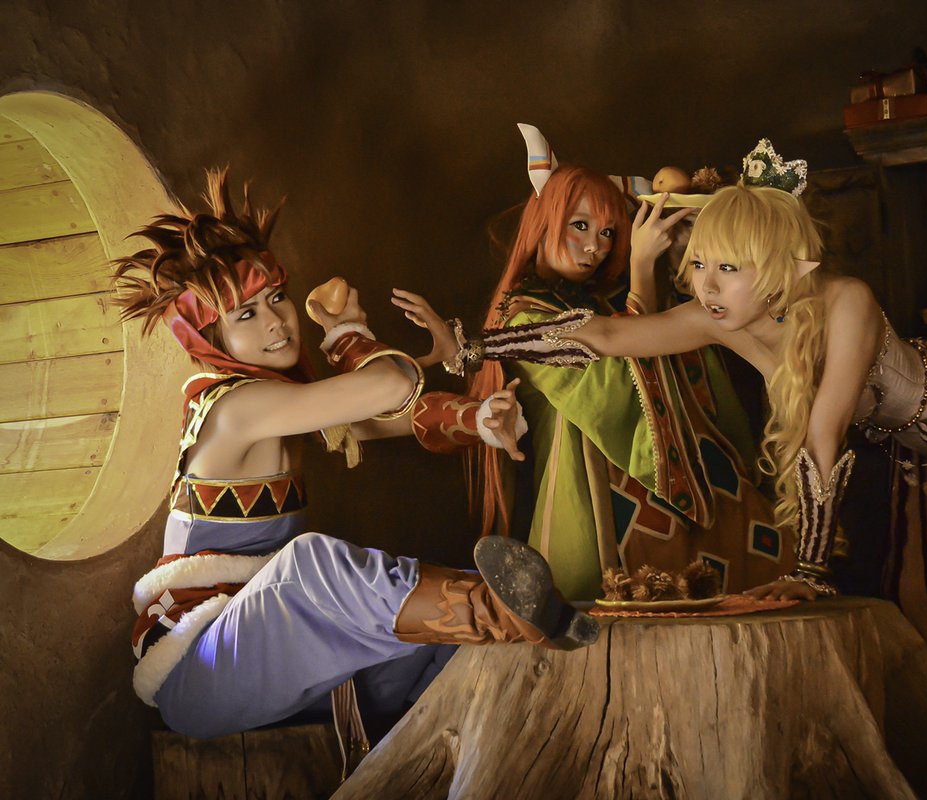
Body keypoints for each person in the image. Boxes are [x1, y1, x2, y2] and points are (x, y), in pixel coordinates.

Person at [413, 139, 927, 673]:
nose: (704, 285)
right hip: (913, 459)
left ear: (787, 268)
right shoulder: (717, 317)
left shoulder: (846, 301)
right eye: (700, 265)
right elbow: (608, 335)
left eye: (728, 269)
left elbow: (823, 436)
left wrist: (810, 573)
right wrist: (473, 349)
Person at [114, 169, 598, 745]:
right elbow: (391, 385)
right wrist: (346, 334)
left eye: (277, 299)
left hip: (280, 670)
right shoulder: (235, 408)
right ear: (209, 340)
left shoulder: (279, 404)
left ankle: (516, 645)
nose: (276, 322)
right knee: (308, 564)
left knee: (431, 639)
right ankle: (503, 611)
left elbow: (386, 417)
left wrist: (479, 421)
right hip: (201, 672)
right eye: (247, 315)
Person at [395, 128, 796, 601]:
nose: (595, 247)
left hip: (677, 486)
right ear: (544, 221)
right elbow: (614, 392)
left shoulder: (602, 297)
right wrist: (642, 271)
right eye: (580, 226)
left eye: (607, 233)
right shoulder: (523, 313)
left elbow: (663, 348)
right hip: (593, 489)